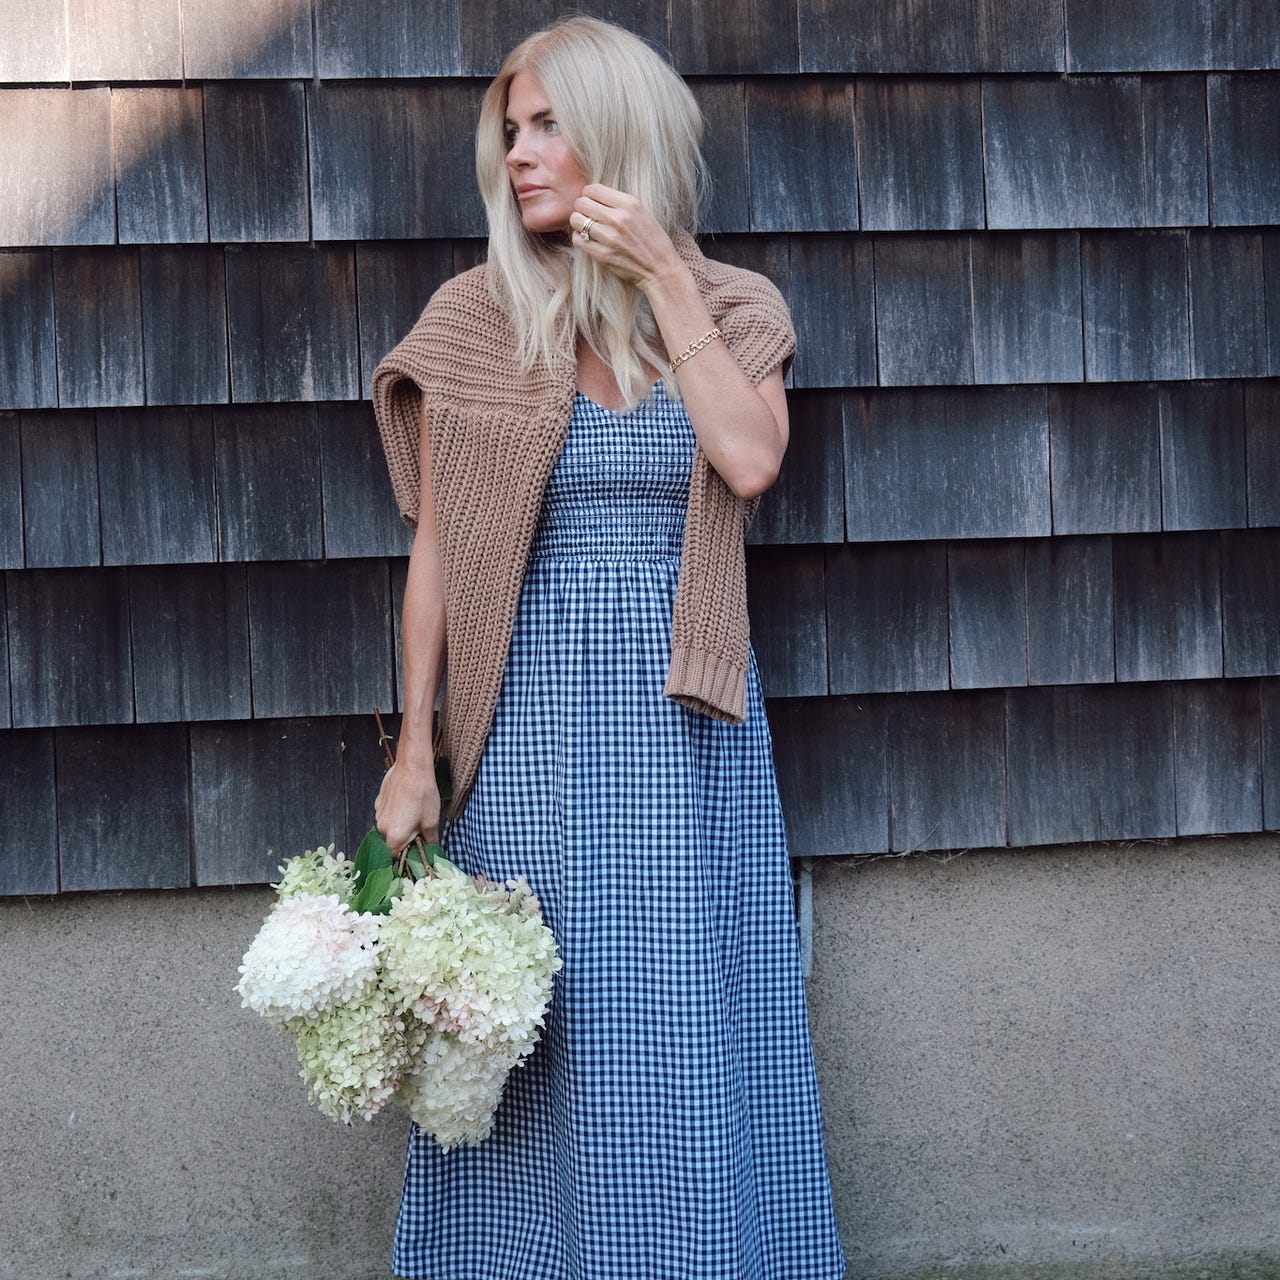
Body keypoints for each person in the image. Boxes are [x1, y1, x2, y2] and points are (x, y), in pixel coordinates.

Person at [371, 16, 845, 1280]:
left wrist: (665, 281)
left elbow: (747, 459)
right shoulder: (475, 320)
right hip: (522, 723)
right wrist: (413, 752)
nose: (518, 153)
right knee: (525, 1022)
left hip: (684, 731)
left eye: (548, 126)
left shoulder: (734, 307)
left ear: (619, 137)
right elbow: (436, 552)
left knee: (677, 1012)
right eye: (509, 131)